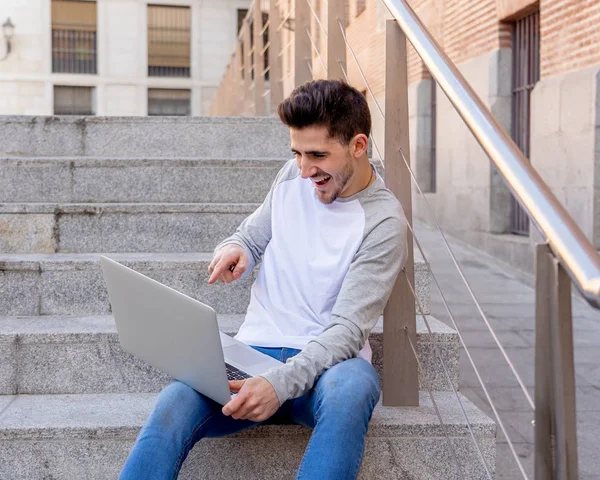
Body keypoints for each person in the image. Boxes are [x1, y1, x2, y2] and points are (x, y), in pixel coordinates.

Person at [119, 79, 408, 480]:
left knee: (355, 387)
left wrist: (279, 384)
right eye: (297, 153)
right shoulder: (292, 176)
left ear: (358, 146)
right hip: (254, 355)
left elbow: (346, 331)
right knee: (175, 399)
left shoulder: (384, 221)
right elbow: (250, 236)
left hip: (328, 367)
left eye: (318, 155)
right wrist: (235, 249)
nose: (305, 170)